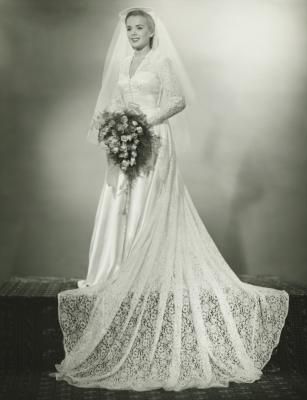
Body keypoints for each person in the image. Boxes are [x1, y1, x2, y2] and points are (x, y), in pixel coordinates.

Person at [51, 7, 289, 391]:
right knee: (119, 198)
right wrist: (116, 127)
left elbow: (178, 100)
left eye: (139, 28)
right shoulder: (126, 62)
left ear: (151, 30)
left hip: (156, 139)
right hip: (129, 135)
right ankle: (118, 267)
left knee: (148, 201)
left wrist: (144, 122)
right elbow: (115, 100)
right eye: (129, 28)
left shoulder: (161, 60)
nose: (133, 33)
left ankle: (147, 264)